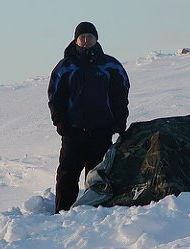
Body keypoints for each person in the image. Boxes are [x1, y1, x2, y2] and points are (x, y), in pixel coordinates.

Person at [48, 22, 130, 213]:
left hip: (101, 130)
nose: (86, 41)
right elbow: (55, 98)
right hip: (73, 130)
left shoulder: (110, 65)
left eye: (89, 37)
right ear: (76, 40)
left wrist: (119, 122)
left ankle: (95, 211)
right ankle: (63, 212)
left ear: (96, 39)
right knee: (67, 174)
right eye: (82, 37)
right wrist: (60, 121)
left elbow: (121, 97)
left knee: (98, 174)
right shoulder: (65, 67)